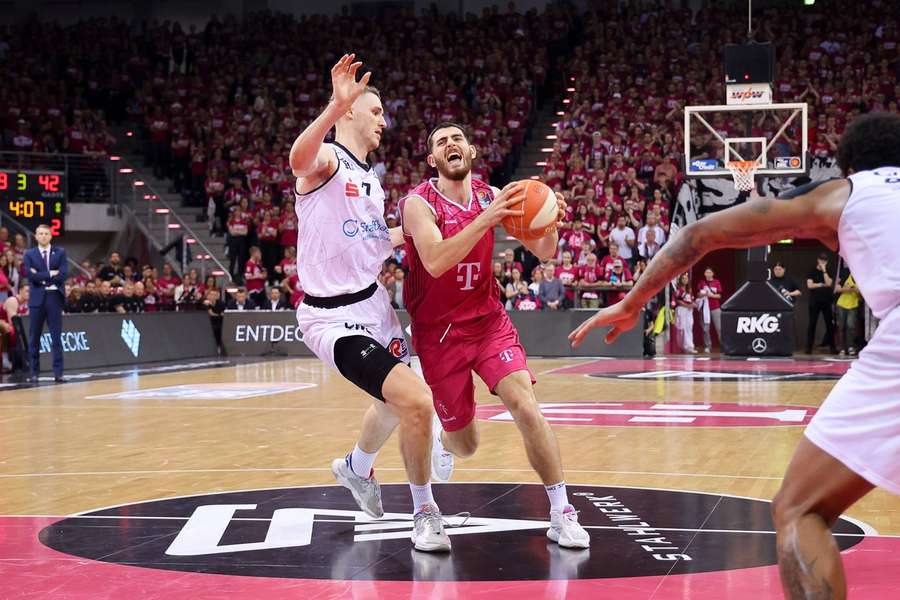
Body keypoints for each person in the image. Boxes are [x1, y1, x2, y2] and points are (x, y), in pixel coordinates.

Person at [569, 112, 900, 600]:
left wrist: (634, 301)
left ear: (849, 166)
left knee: (799, 508)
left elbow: (700, 234)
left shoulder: (841, 194)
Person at [401, 122, 590, 549]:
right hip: (439, 334)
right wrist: (486, 218)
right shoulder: (417, 204)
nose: (451, 144)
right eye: (440, 142)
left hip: (487, 321)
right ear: (433, 160)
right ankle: (444, 439)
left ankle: (561, 511)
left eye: (457, 138)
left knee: (525, 404)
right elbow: (434, 261)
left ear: (470, 150)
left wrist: (548, 220)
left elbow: (545, 252)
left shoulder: (495, 195)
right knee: (466, 444)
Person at [288, 54, 446, 552]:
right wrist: (334, 107)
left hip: (375, 306)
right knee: (417, 400)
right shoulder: (329, 161)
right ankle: (424, 511)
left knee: (393, 401)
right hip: (332, 317)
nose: (384, 121)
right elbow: (297, 161)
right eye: (375, 112)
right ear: (352, 112)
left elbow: (379, 240)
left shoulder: (372, 180)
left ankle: (356, 469)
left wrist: (444, 227)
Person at [24, 224, 67, 383]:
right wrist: (49, 273)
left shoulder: (60, 252)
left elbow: (63, 275)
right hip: (37, 298)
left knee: (56, 336)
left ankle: (58, 373)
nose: (43, 236)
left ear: (51, 236)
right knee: (34, 336)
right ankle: (34, 373)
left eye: (46, 234)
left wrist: (40, 275)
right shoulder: (29, 254)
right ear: (35, 236)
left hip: (54, 297)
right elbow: (29, 275)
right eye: (40, 233)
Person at [806, 253, 838, 354]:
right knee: (812, 324)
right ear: (818, 260)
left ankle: (832, 347)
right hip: (814, 301)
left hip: (827, 301)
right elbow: (809, 285)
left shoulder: (829, 270)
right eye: (821, 260)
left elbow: (828, 283)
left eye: (824, 261)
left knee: (829, 325)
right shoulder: (812, 271)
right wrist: (820, 284)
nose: (822, 262)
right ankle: (808, 347)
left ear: (826, 262)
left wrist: (824, 270)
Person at [696, 267, 723, 353]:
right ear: (704, 274)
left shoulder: (716, 282)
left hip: (715, 308)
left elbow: (719, 296)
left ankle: (723, 345)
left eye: (709, 272)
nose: (708, 274)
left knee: (719, 328)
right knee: (705, 329)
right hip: (704, 309)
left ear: (712, 274)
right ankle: (708, 346)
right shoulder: (702, 283)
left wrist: (710, 295)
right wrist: (702, 294)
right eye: (706, 272)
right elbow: (698, 294)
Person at [834, 270, 861, 356]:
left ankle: (850, 347)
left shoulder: (860, 277)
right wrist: (846, 289)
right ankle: (841, 348)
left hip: (853, 305)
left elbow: (863, 293)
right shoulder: (844, 273)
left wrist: (856, 290)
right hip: (841, 305)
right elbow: (837, 289)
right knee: (841, 327)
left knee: (850, 326)